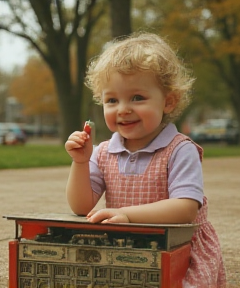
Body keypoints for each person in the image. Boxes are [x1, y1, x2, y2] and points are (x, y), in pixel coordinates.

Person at [65, 32, 226, 287]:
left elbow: (185, 209)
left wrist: (126, 214)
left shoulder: (179, 149)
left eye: (137, 97)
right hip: (125, 247)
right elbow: (82, 207)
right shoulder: (104, 152)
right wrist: (81, 162)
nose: (123, 109)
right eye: (112, 100)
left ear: (168, 102)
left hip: (177, 247)